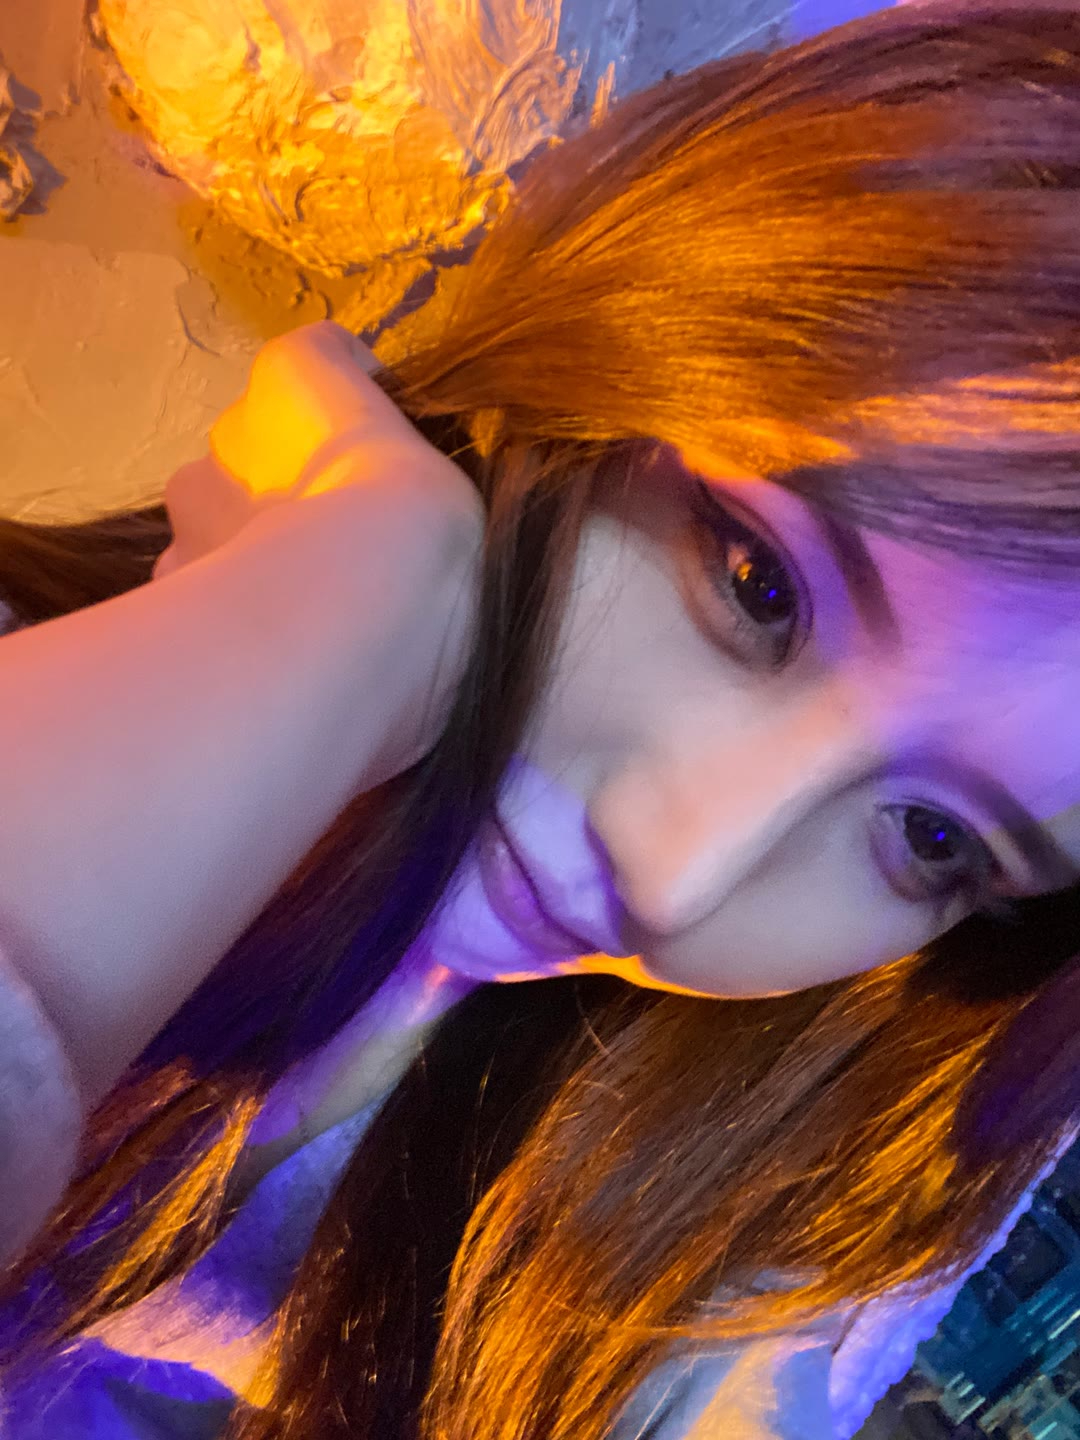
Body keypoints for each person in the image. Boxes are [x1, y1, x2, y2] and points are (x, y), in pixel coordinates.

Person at [4, 1, 1080, 1435]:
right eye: (756, 585)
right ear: (602, 337)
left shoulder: (687, 1296)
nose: (677, 871)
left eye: (935, 840)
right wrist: (332, 610)